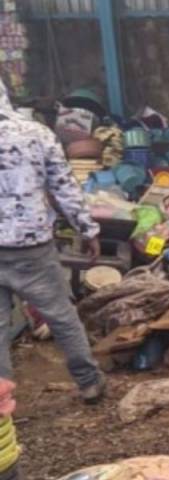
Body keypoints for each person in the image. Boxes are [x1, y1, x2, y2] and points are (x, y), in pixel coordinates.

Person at [0, 78, 105, 404]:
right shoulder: (37, 134)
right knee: (61, 315)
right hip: (31, 246)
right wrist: (87, 230)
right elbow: (64, 189)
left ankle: (3, 402)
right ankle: (89, 383)